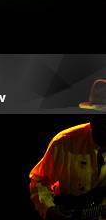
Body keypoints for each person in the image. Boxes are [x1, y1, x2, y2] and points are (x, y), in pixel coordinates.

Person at [29, 79, 106, 220]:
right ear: (91, 117)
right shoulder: (64, 142)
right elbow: (39, 181)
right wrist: (49, 209)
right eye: (100, 117)